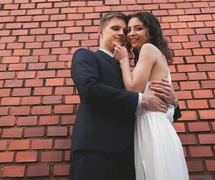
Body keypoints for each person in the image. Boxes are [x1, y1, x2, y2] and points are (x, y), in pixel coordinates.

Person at [70, 12, 182, 180]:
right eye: (115, 28)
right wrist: (141, 99)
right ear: (100, 32)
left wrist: (174, 101)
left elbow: (159, 107)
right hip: (96, 150)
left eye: (125, 30)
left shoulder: (130, 71)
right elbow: (90, 89)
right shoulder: (86, 56)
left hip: (132, 154)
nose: (123, 33)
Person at [113, 12, 189, 180]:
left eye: (138, 28)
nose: (131, 33)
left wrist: (124, 60)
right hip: (151, 125)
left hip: (152, 126)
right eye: (129, 29)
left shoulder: (148, 49)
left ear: (151, 31)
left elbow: (134, 90)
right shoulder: (150, 55)